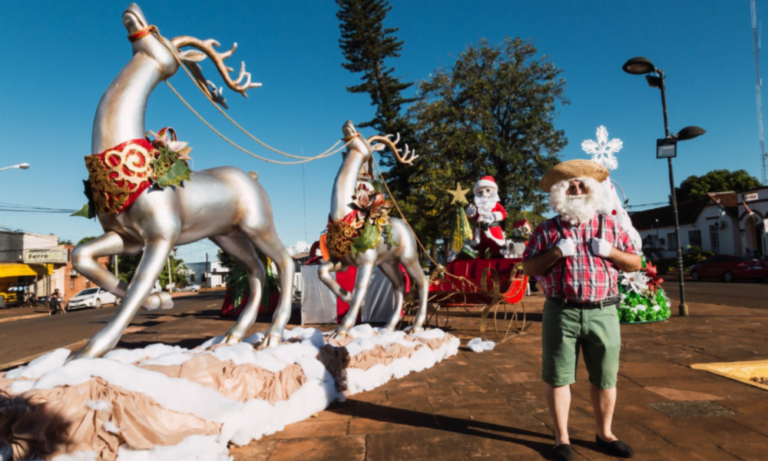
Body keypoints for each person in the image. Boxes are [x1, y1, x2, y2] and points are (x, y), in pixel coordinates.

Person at [522, 160, 641, 461]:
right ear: (560, 192)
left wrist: (610, 251)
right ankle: (561, 439)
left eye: (582, 184)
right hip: (561, 313)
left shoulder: (611, 226)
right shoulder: (546, 230)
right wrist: (556, 252)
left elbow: (635, 262)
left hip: (604, 312)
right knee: (559, 377)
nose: (576, 189)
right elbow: (528, 267)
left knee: (605, 378)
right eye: (570, 185)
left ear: (592, 190)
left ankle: (605, 434)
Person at [466, 175, 507, 258]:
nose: (484, 194)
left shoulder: (496, 205)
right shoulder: (478, 206)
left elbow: (503, 213)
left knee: (496, 249)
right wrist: (471, 213)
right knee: (478, 250)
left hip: (493, 230)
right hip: (479, 232)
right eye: (480, 192)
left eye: (487, 190)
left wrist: (494, 216)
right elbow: (474, 217)